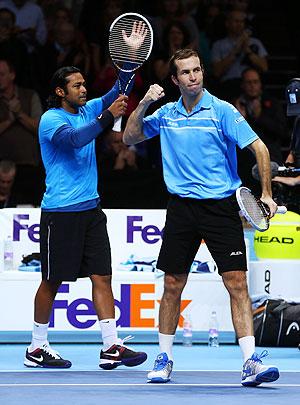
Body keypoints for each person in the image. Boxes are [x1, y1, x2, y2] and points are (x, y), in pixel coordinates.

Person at [123, 48, 280, 386]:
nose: (193, 76)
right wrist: (143, 102)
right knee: (172, 285)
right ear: (175, 79)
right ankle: (163, 357)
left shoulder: (222, 111)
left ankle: (250, 362)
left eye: (197, 70)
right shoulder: (166, 114)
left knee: (236, 284)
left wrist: (265, 192)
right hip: (181, 208)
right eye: (185, 72)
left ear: (202, 73)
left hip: (220, 207)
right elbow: (130, 136)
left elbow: (260, 149)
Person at [24, 22, 148, 370]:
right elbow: (77, 140)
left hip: (92, 210)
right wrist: (108, 117)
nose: (83, 88)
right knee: (52, 280)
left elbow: (118, 91)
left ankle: (111, 346)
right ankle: (36, 346)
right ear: (60, 92)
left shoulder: (89, 107)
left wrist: (131, 58)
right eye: (76, 85)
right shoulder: (50, 119)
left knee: (102, 276)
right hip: (60, 212)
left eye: (83, 84)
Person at [210, 10, 268, 101]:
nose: (239, 24)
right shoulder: (218, 45)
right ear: (227, 23)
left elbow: (264, 67)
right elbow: (216, 72)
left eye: (242, 22)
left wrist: (247, 51)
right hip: (229, 85)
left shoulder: (255, 42)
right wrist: (236, 50)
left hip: (252, 84)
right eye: (236, 21)